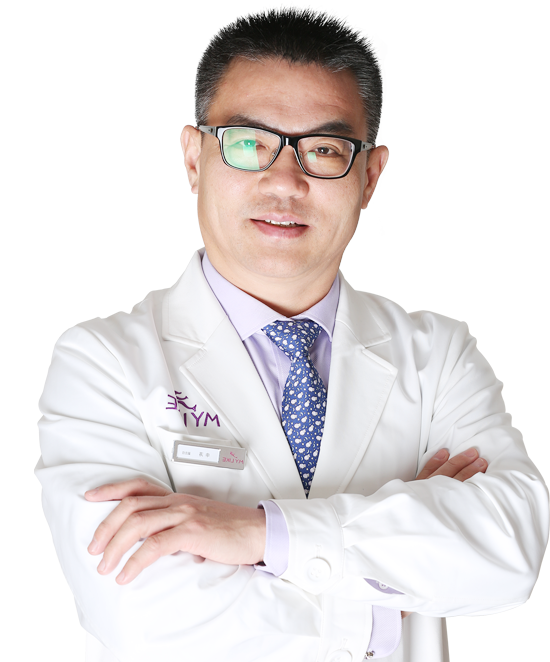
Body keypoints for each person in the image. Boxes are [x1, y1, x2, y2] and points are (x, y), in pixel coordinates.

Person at [37, 7, 548, 662]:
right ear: (193, 157)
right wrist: (390, 598)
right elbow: (146, 618)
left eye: (325, 150)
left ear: (370, 177)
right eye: (248, 143)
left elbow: (508, 553)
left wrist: (261, 536)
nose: (284, 181)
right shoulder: (103, 364)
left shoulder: (437, 357)